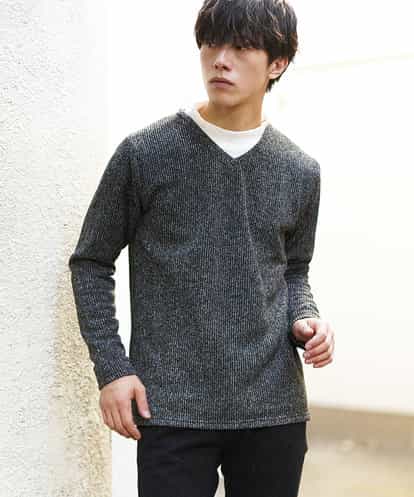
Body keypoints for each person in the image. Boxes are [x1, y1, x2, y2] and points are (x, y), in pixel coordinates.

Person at [68, 0, 335, 495]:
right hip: (171, 409)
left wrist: (306, 318)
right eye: (212, 44)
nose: (220, 60)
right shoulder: (144, 154)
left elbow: (294, 270)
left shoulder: (300, 170)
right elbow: (91, 262)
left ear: (277, 63)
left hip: (273, 410)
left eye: (241, 47)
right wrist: (113, 369)